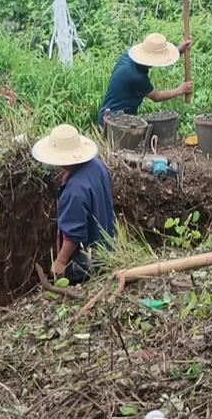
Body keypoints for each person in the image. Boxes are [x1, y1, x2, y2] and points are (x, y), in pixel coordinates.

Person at [31, 125, 116, 285]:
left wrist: (61, 261)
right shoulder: (98, 166)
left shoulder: (75, 190)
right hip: (107, 248)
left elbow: (74, 234)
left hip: (87, 263)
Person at [97, 32, 192, 129]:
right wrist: (180, 90)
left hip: (108, 116)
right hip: (114, 123)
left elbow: (156, 55)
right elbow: (157, 96)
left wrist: (178, 50)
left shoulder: (128, 56)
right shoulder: (136, 77)